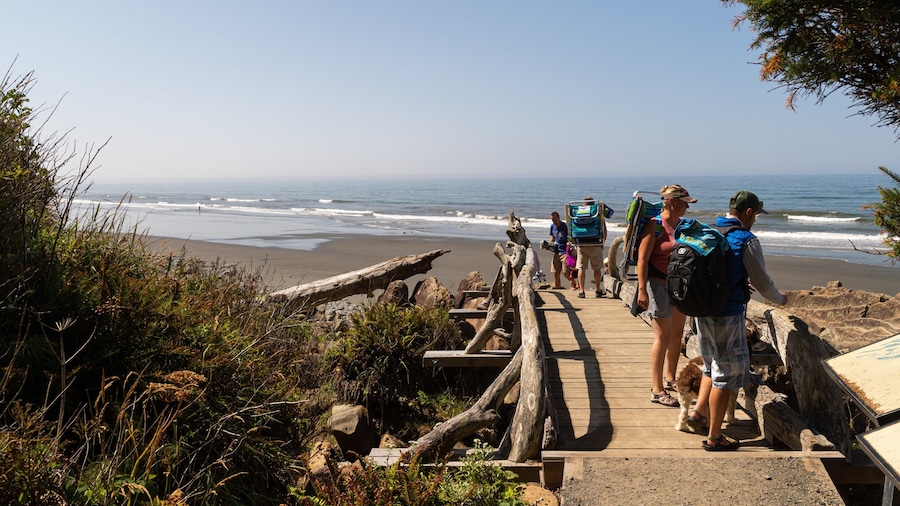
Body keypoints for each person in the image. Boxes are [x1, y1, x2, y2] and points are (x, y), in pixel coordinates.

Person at [689, 191, 789, 451]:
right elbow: (763, 282)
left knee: (711, 365)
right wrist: (780, 299)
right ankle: (714, 437)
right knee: (725, 375)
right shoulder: (746, 240)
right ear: (748, 212)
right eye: (755, 215)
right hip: (727, 313)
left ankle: (698, 413)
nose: (755, 220)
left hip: (702, 311)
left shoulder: (712, 231)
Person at [636, 184, 697, 408]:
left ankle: (670, 378)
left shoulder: (683, 225)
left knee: (677, 334)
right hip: (657, 284)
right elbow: (643, 259)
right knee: (662, 337)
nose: (687, 208)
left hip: (679, 286)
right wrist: (642, 290)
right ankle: (657, 389)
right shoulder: (655, 225)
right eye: (684, 203)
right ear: (672, 202)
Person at [574, 196, 611, 299]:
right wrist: (603, 242)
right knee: (597, 268)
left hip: (581, 243)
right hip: (595, 243)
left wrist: (574, 241)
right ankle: (598, 290)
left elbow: (572, 227)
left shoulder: (578, 213)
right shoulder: (597, 213)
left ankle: (581, 291)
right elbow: (603, 229)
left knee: (581, 268)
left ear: (584, 204)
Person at [548, 211, 569, 289]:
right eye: (552, 220)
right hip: (556, 251)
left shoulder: (564, 226)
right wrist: (550, 244)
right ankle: (557, 287)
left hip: (564, 252)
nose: (554, 221)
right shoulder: (552, 226)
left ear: (559, 218)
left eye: (555, 219)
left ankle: (574, 284)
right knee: (556, 272)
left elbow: (569, 237)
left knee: (565, 272)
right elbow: (552, 237)